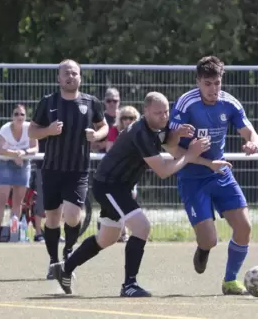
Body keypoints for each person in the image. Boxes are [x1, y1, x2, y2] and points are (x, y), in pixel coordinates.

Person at [49, 92, 215, 296]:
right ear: (145, 112)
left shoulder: (157, 126)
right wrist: (190, 155)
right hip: (109, 186)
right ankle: (129, 285)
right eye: (158, 113)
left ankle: (64, 269)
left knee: (107, 238)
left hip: (119, 187)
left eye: (166, 112)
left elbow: (165, 139)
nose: (164, 117)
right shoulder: (140, 132)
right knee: (142, 227)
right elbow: (163, 171)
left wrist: (177, 134)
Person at [167, 56, 258, 295]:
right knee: (210, 240)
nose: (213, 89)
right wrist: (181, 137)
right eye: (207, 83)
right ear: (198, 82)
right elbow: (169, 146)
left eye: (217, 83)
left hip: (219, 173)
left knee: (244, 226)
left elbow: (252, 134)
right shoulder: (185, 104)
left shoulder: (230, 104)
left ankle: (230, 281)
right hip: (192, 177)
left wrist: (253, 143)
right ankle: (203, 248)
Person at [28, 59, 109, 279]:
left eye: (74, 73)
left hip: (78, 170)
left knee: (74, 216)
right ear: (59, 78)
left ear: (80, 77)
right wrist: (49, 130)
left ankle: (69, 250)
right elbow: (32, 132)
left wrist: (97, 135)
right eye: (66, 73)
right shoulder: (48, 102)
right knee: (52, 218)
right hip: (52, 169)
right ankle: (54, 263)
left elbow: (104, 127)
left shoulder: (91, 102)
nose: (70, 76)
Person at [0, 104, 38, 242]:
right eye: (16, 114)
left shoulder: (29, 128)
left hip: (23, 164)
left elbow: (35, 147)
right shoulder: (5, 129)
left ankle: (14, 234)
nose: (19, 117)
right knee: (1, 200)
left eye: (22, 114)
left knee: (18, 202)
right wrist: (14, 155)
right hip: (5, 163)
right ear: (12, 116)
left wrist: (23, 153)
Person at [104, 105, 142, 242]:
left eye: (131, 118)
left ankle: (124, 232)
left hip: (131, 172)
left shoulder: (139, 131)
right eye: (124, 118)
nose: (127, 120)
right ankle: (118, 233)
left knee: (131, 197)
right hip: (115, 173)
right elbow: (110, 149)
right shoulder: (114, 130)